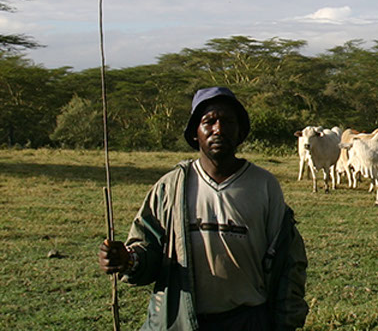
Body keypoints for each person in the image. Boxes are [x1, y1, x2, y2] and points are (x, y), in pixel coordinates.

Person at [98, 87, 308, 330]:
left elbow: (288, 262)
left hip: (249, 320)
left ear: (240, 132)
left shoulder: (265, 185)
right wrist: (127, 259)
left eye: (228, 121)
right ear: (195, 133)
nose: (218, 129)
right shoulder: (170, 187)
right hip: (182, 320)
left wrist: (286, 319)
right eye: (209, 121)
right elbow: (147, 250)